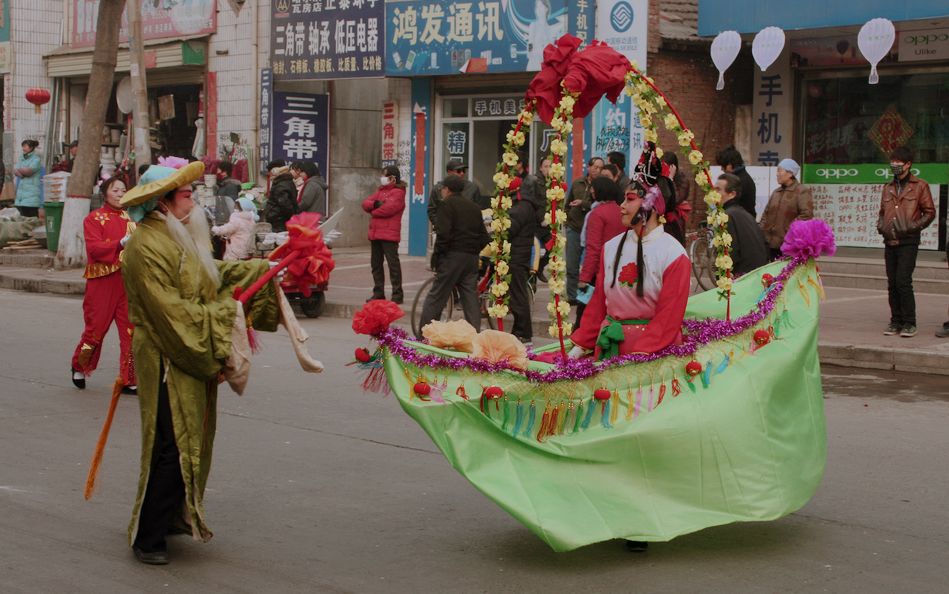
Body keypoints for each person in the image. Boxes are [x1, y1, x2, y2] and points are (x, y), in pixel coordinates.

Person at [119, 159, 280, 565]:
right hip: (165, 350)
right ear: (163, 203)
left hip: (181, 342)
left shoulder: (180, 235)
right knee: (173, 443)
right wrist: (224, 316)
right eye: (187, 194)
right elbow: (167, 309)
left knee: (188, 437)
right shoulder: (144, 246)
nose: (193, 200)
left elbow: (212, 275)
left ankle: (172, 517)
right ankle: (148, 537)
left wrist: (262, 268)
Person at [570, 179, 691, 366]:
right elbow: (599, 303)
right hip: (609, 347)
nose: (622, 206)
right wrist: (581, 345)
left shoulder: (673, 254)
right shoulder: (611, 247)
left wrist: (639, 355)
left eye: (630, 199)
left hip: (652, 356)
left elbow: (668, 317)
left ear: (652, 205)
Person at [70, 176, 137, 394]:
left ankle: (129, 378)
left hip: (127, 282)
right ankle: (79, 365)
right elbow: (96, 249)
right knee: (95, 332)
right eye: (115, 190)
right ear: (105, 193)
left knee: (131, 332)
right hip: (102, 282)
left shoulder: (133, 219)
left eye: (123, 190)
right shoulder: (94, 219)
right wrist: (119, 244)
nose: (119, 194)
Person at [418, 175, 490, 335]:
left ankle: (424, 334)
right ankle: (474, 336)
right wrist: (473, 249)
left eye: (443, 188)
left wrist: (437, 257)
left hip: (452, 257)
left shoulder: (447, 205)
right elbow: (485, 237)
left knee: (436, 296)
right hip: (471, 259)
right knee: (470, 298)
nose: (442, 191)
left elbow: (443, 234)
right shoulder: (473, 207)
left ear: (447, 190)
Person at [877, 146, 936, 338]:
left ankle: (910, 322)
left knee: (903, 281)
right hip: (890, 240)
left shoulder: (920, 186)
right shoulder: (888, 187)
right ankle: (895, 321)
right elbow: (882, 213)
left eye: (898, 163)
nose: (894, 165)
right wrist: (881, 226)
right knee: (892, 283)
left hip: (908, 241)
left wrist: (912, 227)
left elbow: (929, 212)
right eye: (892, 162)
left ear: (908, 165)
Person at [362, 165, 406, 303]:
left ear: (393, 178)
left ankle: (397, 294)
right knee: (376, 264)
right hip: (375, 233)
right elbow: (365, 203)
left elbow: (388, 209)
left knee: (393, 265)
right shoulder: (380, 191)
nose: (383, 178)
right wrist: (376, 204)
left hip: (389, 234)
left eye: (385, 176)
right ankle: (378, 292)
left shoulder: (398, 192)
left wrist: (373, 211)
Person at [578, 177, 626, 295]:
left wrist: (585, 278)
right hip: (620, 267)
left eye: (593, 188)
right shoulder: (621, 211)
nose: (591, 191)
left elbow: (593, 249)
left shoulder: (598, 214)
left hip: (601, 271)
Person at [566, 157, 603, 303]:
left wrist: (584, 204)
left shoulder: (600, 186)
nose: (597, 170)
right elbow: (568, 203)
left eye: (600, 168)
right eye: (595, 167)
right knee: (572, 264)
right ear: (589, 167)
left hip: (591, 230)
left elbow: (598, 204)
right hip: (575, 227)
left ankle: (587, 296)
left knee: (590, 265)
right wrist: (568, 216)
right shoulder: (577, 183)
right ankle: (572, 296)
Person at [760, 158, 813, 260]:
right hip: (769, 244)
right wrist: (761, 233)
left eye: (780, 171)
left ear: (790, 173)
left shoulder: (802, 191)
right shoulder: (776, 192)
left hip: (789, 245)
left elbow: (807, 215)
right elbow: (765, 215)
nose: (777, 174)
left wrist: (789, 231)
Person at [507, 176, 538, 344]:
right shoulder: (524, 205)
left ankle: (524, 333)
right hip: (519, 254)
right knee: (516, 296)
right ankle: (518, 330)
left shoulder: (521, 207)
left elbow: (510, 229)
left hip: (517, 256)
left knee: (518, 297)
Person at [717, 173, 768, 276]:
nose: (714, 193)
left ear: (732, 194)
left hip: (742, 275)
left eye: (718, 190)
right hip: (756, 272)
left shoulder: (727, 216)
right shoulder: (743, 213)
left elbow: (730, 252)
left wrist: (722, 276)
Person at [428, 159, 486, 223]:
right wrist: (440, 225)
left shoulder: (473, 188)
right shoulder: (438, 189)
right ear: (449, 172)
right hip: (446, 229)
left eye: (464, 171)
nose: (462, 173)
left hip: (467, 229)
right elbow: (432, 210)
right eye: (458, 171)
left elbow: (479, 210)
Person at [715, 145, 756, 218]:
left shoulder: (739, 181)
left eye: (723, 166)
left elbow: (730, 204)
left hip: (740, 223)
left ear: (730, 165)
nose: (722, 169)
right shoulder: (741, 177)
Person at [660, 152, 691, 247]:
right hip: (662, 219)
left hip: (675, 221)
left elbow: (676, 199)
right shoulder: (661, 178)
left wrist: (670, 179)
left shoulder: (682, 180)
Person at [262, 160, 298, 232]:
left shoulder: (281, 184)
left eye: (272, 172)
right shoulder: (286, 182)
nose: (270, 174)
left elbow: (284, 204)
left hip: (279, 220)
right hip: (280, 219)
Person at [13, 139, 42, 218]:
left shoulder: (36, 160)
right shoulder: (21, 158)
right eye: (23, 146)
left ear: (31, 147)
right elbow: (16, 171)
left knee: (32, 222)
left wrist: (19, 170)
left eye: (25, 146)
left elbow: (28, 172)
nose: (23, 148)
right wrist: (21, 171)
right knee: (22, 222)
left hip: (31, 197)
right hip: (21, 198)